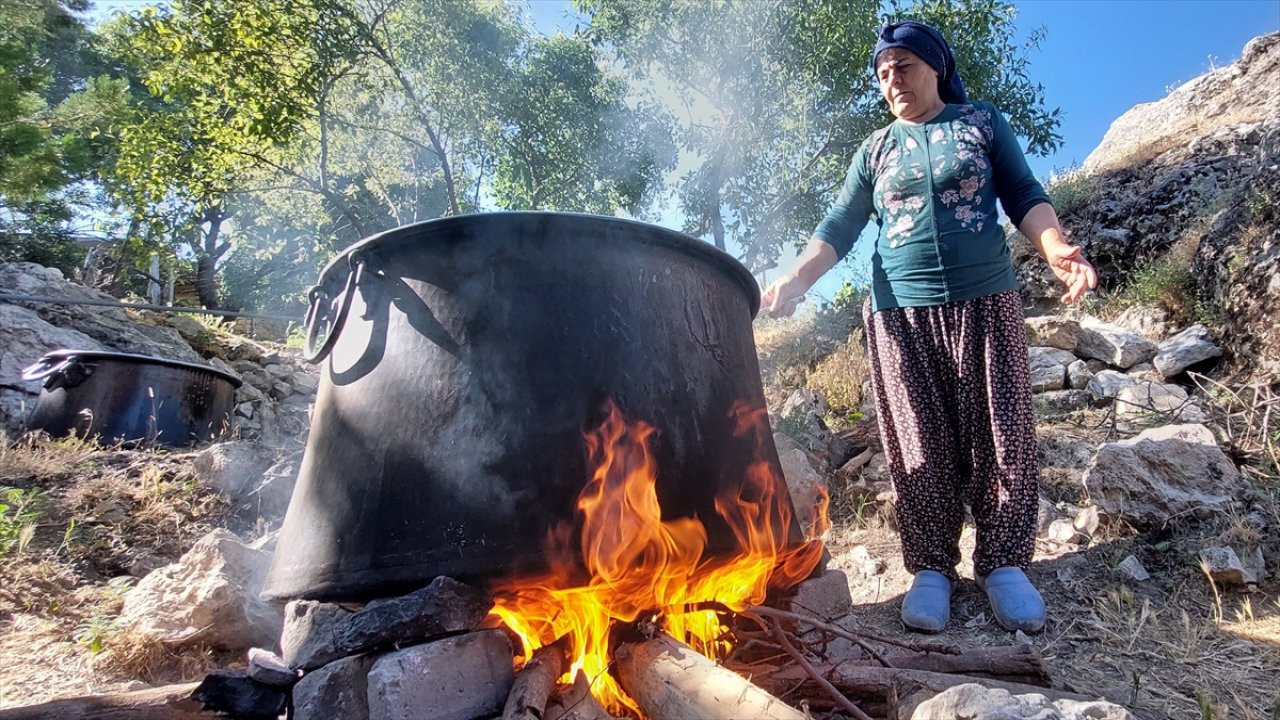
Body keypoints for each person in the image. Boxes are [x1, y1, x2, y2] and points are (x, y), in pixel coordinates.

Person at [761, 21, 1097, 634]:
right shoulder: (875, 150)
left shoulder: (980, 124)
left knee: (1001, 429)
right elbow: (839, 225)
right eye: (883, 72)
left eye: (905, 65)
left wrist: (1054, 247)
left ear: (935, 67)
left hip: (984, 299)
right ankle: (932, 568)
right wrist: (795, 281)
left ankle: (1002, 564)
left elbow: (1022, 193)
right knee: (917, 439)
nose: (893, 79)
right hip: (899, 311)